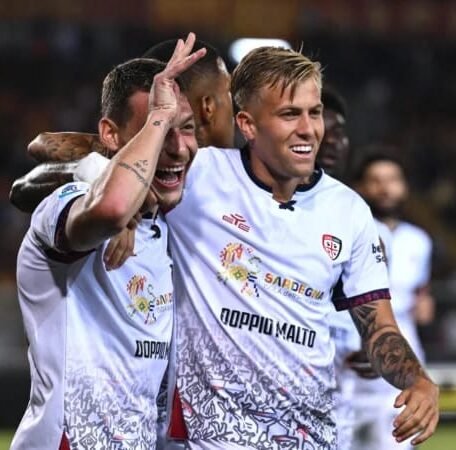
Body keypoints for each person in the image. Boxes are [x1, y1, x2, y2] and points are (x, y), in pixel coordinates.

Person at [163, 46, 439, 449]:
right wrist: (125, 220)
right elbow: (110, 168)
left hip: (310, 435)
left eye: (314, 113)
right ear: (248, 124)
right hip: (211, 436)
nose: (309, 129)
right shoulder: (199, 176)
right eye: (290, 114)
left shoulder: (348, 211)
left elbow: (379, 328)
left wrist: (417, 379)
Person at [11, 34, 205, 450]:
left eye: (185, 129)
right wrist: (113, 184)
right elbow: (111, 206)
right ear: (111, 135)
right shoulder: (64, 206)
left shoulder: (171, 226)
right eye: (158, 130)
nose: (176, 148)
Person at [9, 38, 234, 215]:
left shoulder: (212, 170)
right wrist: (110, 188)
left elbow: (42, 145)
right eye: (229, 93)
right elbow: (24, 183)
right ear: (208, 106)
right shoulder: (141, 169)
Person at [351, 151, 435, 450]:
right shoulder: (350, 232)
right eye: (376, 181)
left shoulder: (419, 240)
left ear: (405, 186)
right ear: (360, 187)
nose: (385, 188)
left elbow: (421, 294)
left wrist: (425, 305)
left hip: (402, 360)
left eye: (392, 180)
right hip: (351, 361)